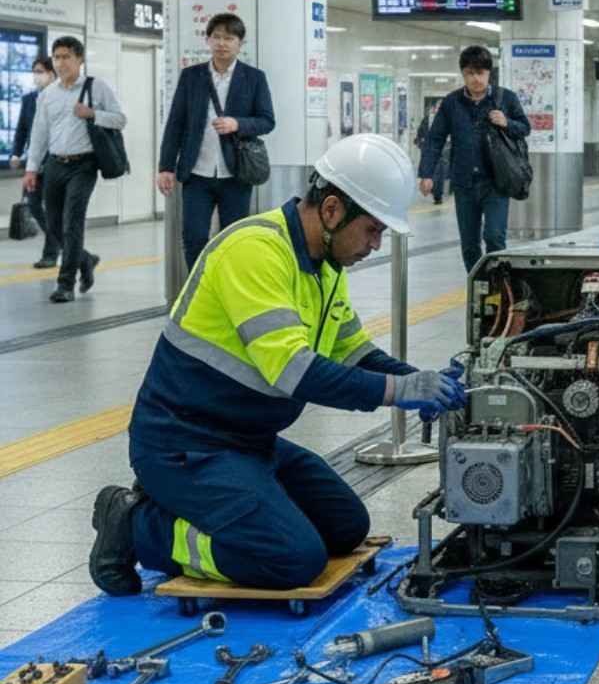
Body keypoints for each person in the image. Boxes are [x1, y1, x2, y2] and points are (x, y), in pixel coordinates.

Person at [88, 134, 466, 595]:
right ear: (332, 210)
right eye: (372, 230)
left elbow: (354, 352)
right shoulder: (255, 252)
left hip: (249, 439)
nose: (375, 244)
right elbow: (294, 371)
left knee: (346, 526)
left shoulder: (324, 268)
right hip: (184, 442)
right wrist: (400, 393)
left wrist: (421, 381)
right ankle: (136, 524)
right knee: (292, 558)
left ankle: (224, 503)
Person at [157, 13, 276, 271]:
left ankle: (226, 288)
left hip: (236, 174)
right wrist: (165, 166)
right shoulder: (192, 76)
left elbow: (267, 121)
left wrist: (238, 124)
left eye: (229, 38)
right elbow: (175, 123)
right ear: (208, 40)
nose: (222, 43)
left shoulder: (254, 78)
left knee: (233, 240)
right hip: (196, 173)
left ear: (240, 43)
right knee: (194, 237)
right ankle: (200, 288)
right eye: (217, 37)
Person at [22, 36, 125, 303]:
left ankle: (65, 284)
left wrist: (93, 114)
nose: (61, 62)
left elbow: (119, 119)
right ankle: (85, 259)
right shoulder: (48, 94)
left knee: (72, 223)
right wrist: (31, 169)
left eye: (66, 56)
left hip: (84, 165)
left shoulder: (96, 87)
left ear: (79, 59)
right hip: (54, 164)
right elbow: (39, 134)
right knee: (53, 225)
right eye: (56, 57)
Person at [417, 45, 530, 272]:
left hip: (496, 181)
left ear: (489, 73)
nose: (475, 78)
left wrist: (506, 122)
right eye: (470, 73)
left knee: (494, 236)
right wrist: (426, 173)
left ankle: (498, 283)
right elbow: (435, 139)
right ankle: (477, 284)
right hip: (464, 184)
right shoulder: (451, 102)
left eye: (480, 73)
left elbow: (525, 128)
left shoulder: (505, 98)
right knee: (469, 244)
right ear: (463, 74)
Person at [10, 56, 61, 268]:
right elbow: (22, 129)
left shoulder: (61, 97)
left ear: (52, 74)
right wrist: (16, 153)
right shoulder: (29, 99)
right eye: (34, 72)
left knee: (52, 208)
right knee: (33, 204)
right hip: (34, 162)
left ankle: (50, 254)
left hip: (56, 161)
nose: (36, 76)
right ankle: (59, 240)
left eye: (40, 71)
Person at [414, 104, 448, 205]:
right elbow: (420, 132)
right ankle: (433, 191)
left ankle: (437, 195)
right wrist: (420, 142)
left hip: (440, 151)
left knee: (438, 173)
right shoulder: (427, 119)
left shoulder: (447, 120)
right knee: (430, 172)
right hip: (428, 150)